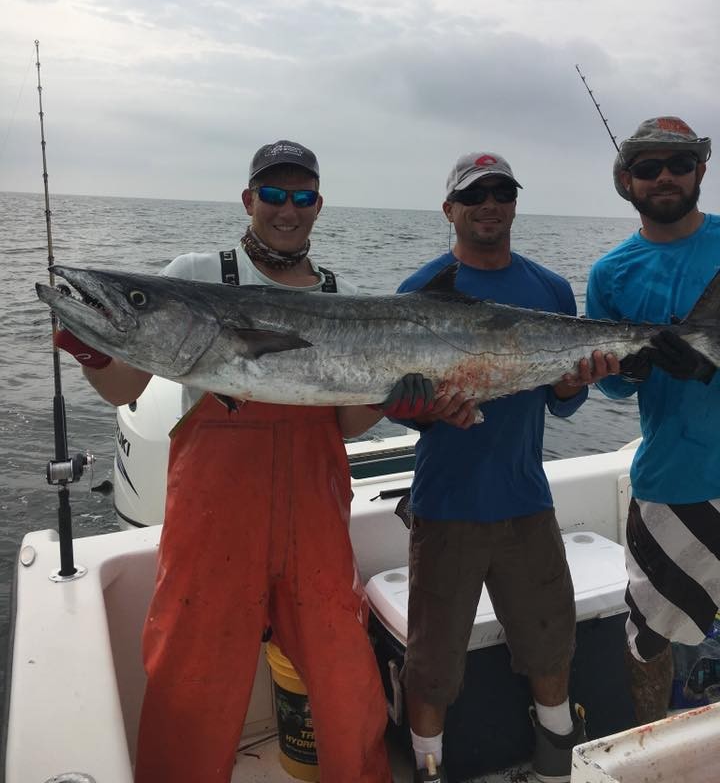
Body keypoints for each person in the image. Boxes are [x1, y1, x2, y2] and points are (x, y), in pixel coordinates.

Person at [54, 140, 425, 783]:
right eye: (273, 195)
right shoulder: (197, 273)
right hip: (214, 529)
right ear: (248, 200)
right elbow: (126, 390)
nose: (287, 210)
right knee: (189, 694)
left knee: (348, 692)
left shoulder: (344, 297)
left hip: (315, 531)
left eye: (302, 196)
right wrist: (94, 351)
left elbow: (343, 422)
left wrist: (393, 399)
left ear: (318, 206)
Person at [395, 152, 618, 783]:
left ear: (515, 203)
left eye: (502, 191)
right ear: (450, 210)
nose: (490, 204)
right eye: (475, 194)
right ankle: (428, 771)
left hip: (527, 501)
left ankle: (555, 770)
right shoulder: (417, 293)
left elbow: (561, 401)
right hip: (446, 507)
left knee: (551, 648)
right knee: (432, 667)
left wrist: (583, 379)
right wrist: (430, 411)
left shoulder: (550, 288)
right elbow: (399, 407)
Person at [585, 116, 720, 725]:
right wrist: (632, 371)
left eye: (679, 163)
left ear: (701, 171)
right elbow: (608, 382)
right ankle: (654, 752)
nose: (664, 176)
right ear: (626, 180)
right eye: (647, 167)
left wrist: (710, 370)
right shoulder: (610, 273)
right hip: (671, 482)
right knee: (651, 640)